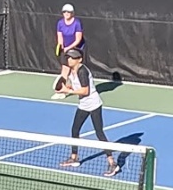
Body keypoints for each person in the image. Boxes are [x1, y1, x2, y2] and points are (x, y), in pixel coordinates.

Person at [53, 48, 123, 177]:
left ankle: (113, 163)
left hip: (94, 105)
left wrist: (68, 91)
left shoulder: (82, 71)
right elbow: (74, 86)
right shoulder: (71, 71)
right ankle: (74, 158)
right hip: (84, 105)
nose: (69, 59)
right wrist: (65, 88)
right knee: (75, 130)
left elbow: (85, 91)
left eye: (72, 58)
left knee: (99, 133)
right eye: (68, 57)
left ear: (79, 59)